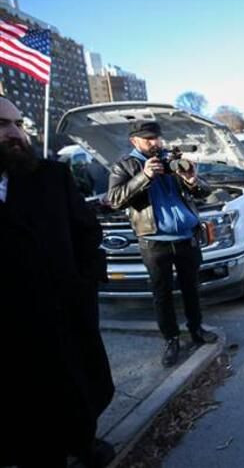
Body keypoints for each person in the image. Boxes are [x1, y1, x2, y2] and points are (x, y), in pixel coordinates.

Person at [0, 97, 115, 467]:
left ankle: (84, 443)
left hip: (66, 320)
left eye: (18, 124)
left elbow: (87, 234)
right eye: (3, 125)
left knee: (82, 392)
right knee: (30, 426)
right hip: (13, 339)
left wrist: (86, 286)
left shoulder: (51, 177)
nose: (16, 134)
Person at [108, 121, 218, 368]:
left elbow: (204, 193)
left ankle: (196, 329)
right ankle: (171, 340)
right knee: (162, 294)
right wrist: (144, 176)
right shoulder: (125, 166)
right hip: (154, 242)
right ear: (134, 141)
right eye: (148, 139)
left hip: (186, 237)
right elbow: (114, 199)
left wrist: (191, 179)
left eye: (157, 138)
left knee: (192, 288)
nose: (155, 143)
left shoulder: (170, 160)